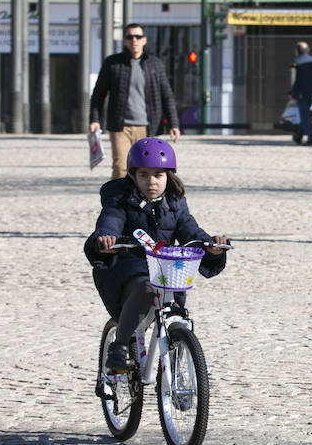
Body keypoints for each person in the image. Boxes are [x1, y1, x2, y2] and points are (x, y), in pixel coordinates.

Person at [84, 137, 227, 373]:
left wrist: (210, 246)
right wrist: (106, 239)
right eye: (144, 175)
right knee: (147, 288)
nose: (151, 181)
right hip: (128, 269)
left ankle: (181, 372)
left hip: (165, 270)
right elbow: (110, 222)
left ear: (169, 176)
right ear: (133, 176)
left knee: (177, 311)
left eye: (158, 175)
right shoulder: (120, 199)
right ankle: (119, 346)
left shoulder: (174, 203)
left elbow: (191, 230)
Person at [89, 23, 181, 180]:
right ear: (124, 41)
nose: (134, 40)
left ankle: (138, 202)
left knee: (145, 168)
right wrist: (94, 120)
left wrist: (173, 123)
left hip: (147, 127)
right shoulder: (112, 63)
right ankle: (117, 203)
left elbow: (167, 95)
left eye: (138, 37)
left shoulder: (155, 64)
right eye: (130, 37)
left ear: (144, 40)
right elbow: (98, 94)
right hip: (120, 127)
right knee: (121, 167)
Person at [290, 41, 312, 146]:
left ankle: (311, 139)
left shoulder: (296, 62)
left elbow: (293, 79)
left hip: (301, 92)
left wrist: (292, 92)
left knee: (304, 116)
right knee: (305, 114)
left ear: (298, 50)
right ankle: (298, 137)